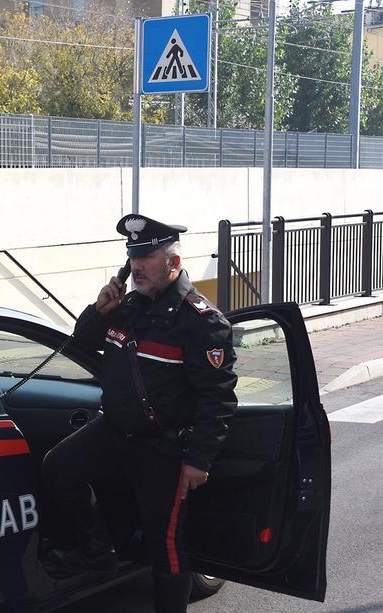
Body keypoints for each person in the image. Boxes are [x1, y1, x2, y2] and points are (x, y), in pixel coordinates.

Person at [41, 214, 238, 613]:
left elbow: (217, 398)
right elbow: (83, 344)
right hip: (114, 431)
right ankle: (97, 551)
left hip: (162, 449)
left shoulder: (200, 321)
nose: (136, 267)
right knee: (57, 467)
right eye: (133, 257)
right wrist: (100, 310)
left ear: (173, 263)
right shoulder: (127, 306)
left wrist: (199, 460)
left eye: (147, 257)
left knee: (165, 545)